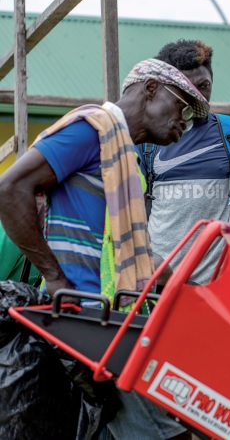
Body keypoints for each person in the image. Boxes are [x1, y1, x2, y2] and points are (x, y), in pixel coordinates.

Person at [0, 58, 210, 440]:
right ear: (150, 89)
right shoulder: (91, 131)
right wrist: (54, 276)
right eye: (181, 106)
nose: (185, 121)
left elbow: (124, 249)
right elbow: (10, 188)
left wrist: (192, 284)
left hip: (111, 318)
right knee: (165, 432)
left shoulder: (125, 160)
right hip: (82, 321)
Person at [142, 39, 230, 285]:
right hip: (160, 284)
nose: (197, 95)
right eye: (185, 86)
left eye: (204, 85)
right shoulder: (148, 141)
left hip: (219, 286)